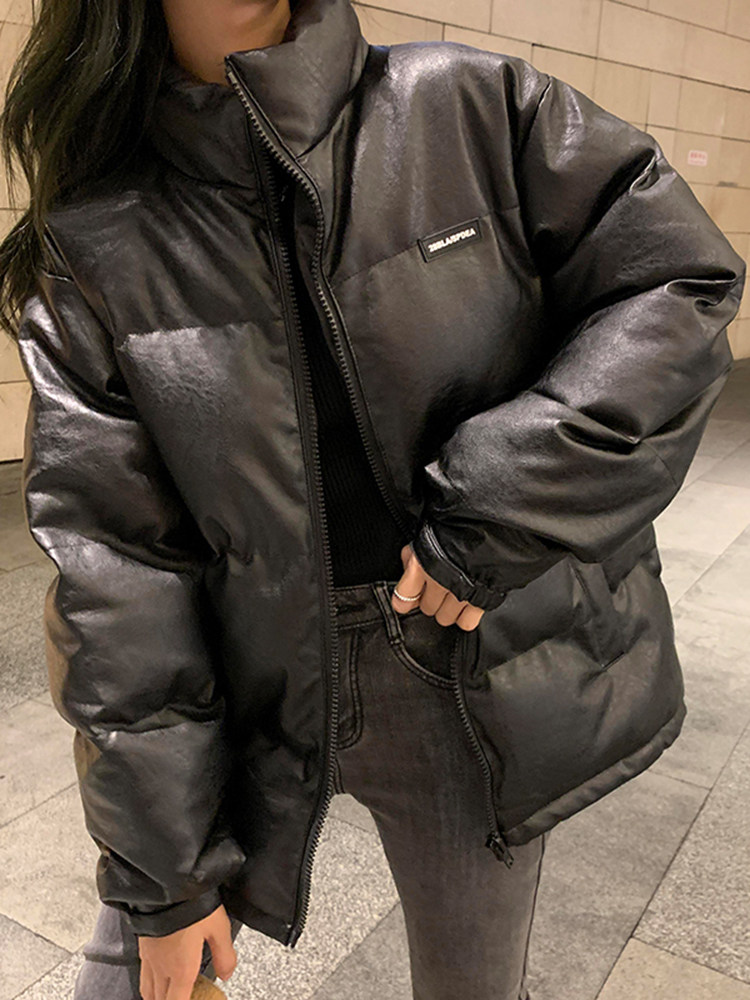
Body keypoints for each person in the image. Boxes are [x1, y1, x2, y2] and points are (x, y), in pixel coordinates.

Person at [0, 0, 745, 998]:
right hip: (239, 673)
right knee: (132, 973)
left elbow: (676, 279)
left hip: (458, 660)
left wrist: (500, 501)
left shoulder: (472, 108)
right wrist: (165, 880)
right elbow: (117, 568)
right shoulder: (96, 236)